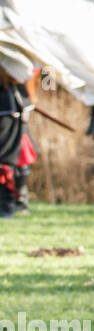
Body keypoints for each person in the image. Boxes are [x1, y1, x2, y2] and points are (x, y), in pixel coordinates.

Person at [0, 68, 35, 218]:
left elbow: (47, 77)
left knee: (12, 161)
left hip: (11, 113)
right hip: (8, 111)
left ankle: (12, 205)